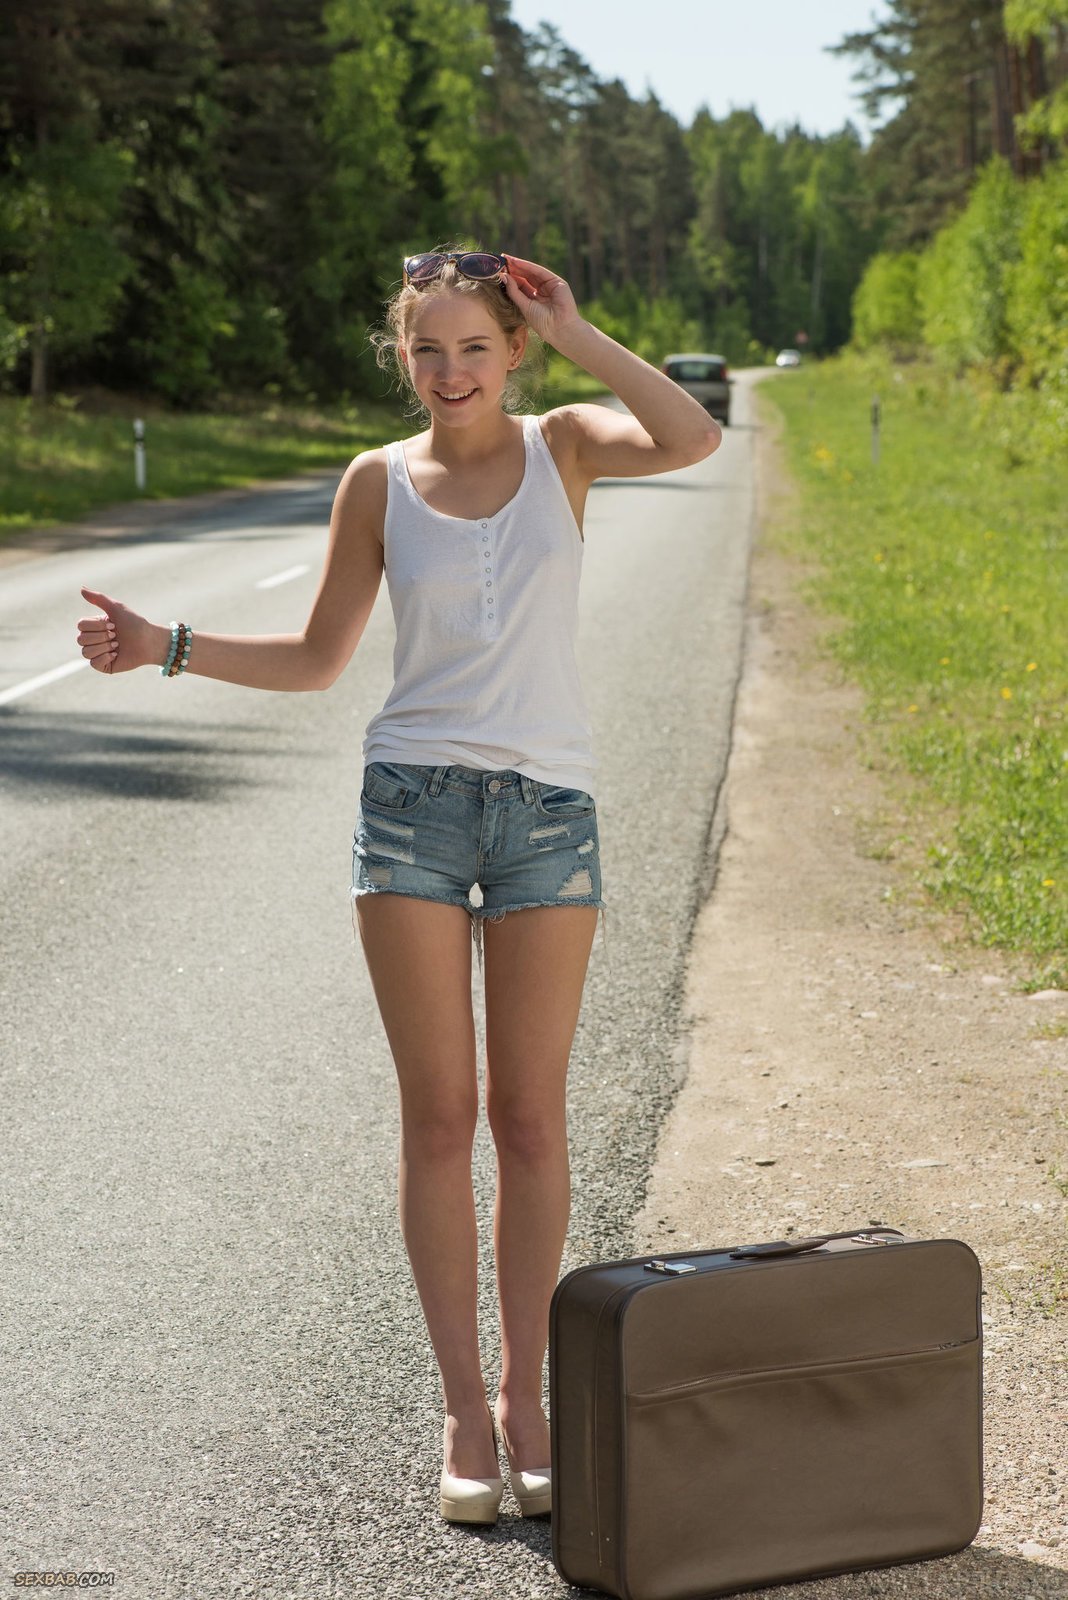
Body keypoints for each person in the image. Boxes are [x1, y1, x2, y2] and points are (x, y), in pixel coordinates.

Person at [75, 247, 721, 1526]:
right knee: (439, 1119)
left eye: (476, 346)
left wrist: (578, 331)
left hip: (547, 814)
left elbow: (693, 435)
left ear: (513, 351)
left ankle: (530, 1398)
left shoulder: (565, 445)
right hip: (410, 814)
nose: (451, 372)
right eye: (428, 349)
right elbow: (321, 657)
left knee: (530, 1120)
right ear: (402, 355)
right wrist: (166, 646)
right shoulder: (377, 481)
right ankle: (464, 1410)